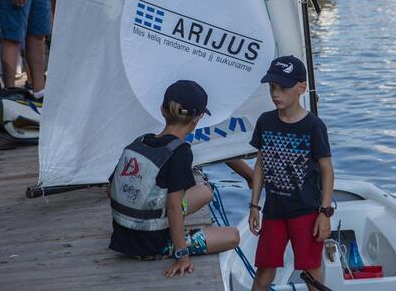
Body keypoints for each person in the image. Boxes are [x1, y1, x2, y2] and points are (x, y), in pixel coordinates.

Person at [108, 80, 240, 277]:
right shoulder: (179, 152)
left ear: (162, 110)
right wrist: (182, 254)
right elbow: (173, 207)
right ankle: (170, 245)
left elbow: (111, 187)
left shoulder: (140, 142)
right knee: (233, 236)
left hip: (124, 237)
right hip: (151, 245)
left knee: (205, 191)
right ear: (197, 119)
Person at [248, 55, 334, 291]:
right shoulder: (266, 122)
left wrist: (325, 212)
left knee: (311, 272)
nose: (276, 93)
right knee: (264, 271)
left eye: (283, 88)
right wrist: (254, 205)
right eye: (272, 87)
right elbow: (260, 166)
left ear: (301, 88)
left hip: (306, 212)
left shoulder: (314, 126)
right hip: (274, 211)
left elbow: (327, 170)